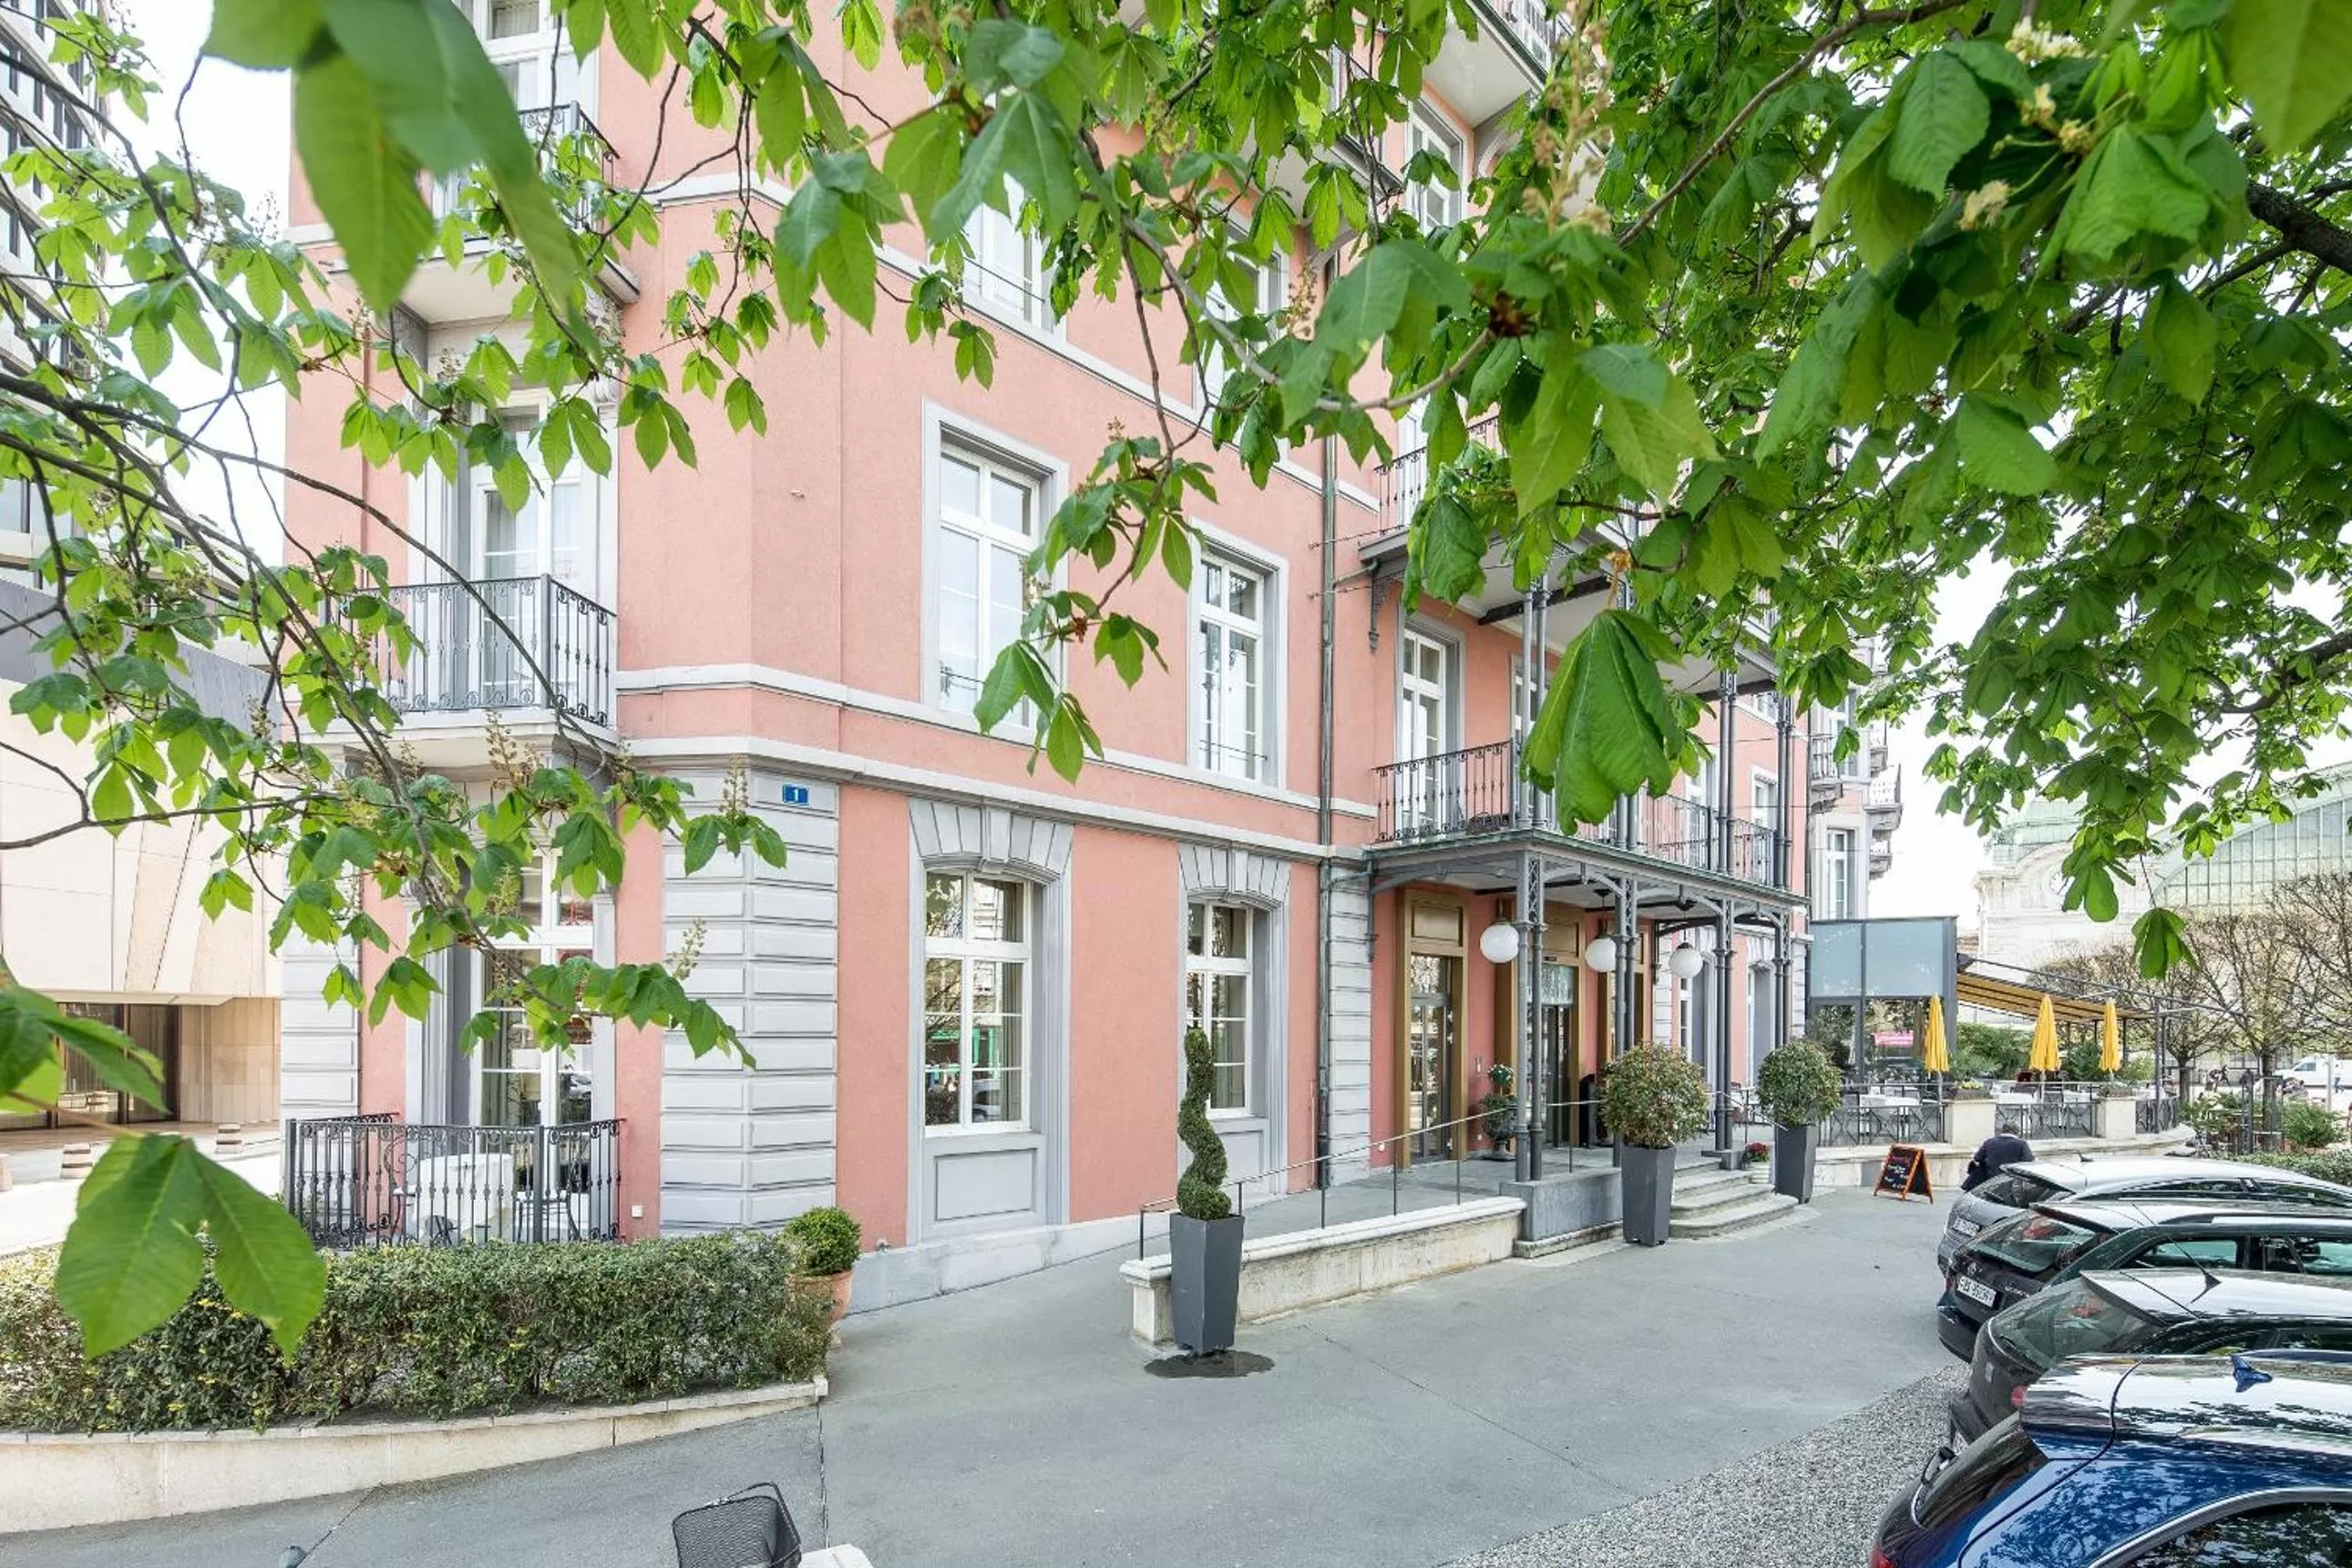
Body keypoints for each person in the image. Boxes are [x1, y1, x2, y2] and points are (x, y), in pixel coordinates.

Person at [1962, 1122, 2034, 1192]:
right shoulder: (2021, 1144)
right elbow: (2028, 1162)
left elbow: (1977, 1158)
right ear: (2017, 1132)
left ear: (2002, 1130)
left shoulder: (1989, 1142)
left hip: (1991, 1180)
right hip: (2012, 1181)